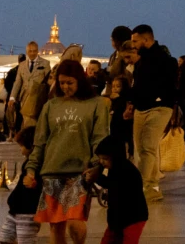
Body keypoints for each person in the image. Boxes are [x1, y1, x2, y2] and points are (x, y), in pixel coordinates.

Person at [22, 61, 109, 244]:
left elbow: (100, 138)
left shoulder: (96, 104)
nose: (65, 87)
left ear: (80, 81)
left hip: (79, 173)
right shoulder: (50, 106)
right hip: (52, 171)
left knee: (75, 224)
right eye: (61, 83)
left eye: (70, 83)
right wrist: (31, 169)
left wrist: (96, 166)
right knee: (56, 225)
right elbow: (40, 142)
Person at [126, 26, 175, 203]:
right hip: (141, 107)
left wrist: (163, 102)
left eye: (135, 41)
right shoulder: (140, 61)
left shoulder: (164, 59)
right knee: (143, 148)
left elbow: (169, 86)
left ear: (146, 40)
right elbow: (138, 85)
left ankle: (141, 188)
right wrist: (131, 105)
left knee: (147, 147)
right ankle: (152, 188)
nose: (133, 45)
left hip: (159, 107)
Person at [87, 135, 147, 244]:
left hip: (134, 217)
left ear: (116, 157)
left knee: (129, 240)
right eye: (100, 158)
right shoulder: (115, 167)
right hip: (117, 218)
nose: (102, 162)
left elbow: (113, 184)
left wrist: (96, 177)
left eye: (105, 159)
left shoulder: (127, 171)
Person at [0, 127, 40, 244]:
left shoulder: (36, 165)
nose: (20, 150)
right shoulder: (28, 163)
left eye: (22, 146)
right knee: (4, 238)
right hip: (15, 210)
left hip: (27, 212)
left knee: (25, 240)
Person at [9, 43, 51, 133]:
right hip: (25, 99)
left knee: (37, 122)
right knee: (27, 121)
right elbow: (17, 83)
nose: (32, 53)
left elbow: (49, 82)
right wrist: (12, 97)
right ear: (27, 52)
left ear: (37, 51)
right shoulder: (22, 65)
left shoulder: (45, 64)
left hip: (39, 99)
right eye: (30, 51)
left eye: (34, 51)